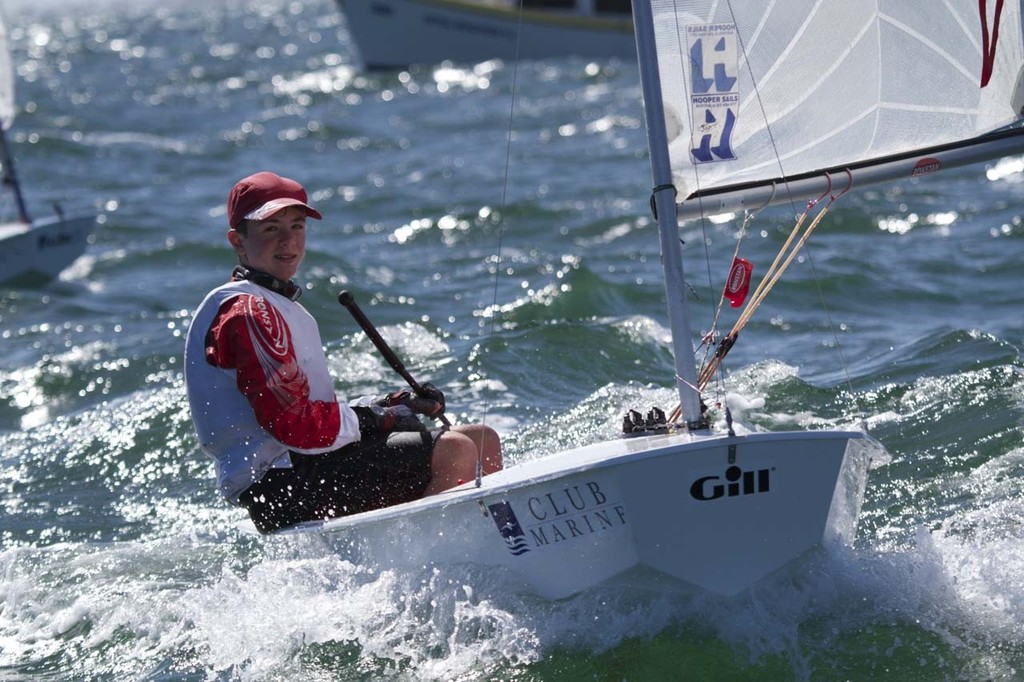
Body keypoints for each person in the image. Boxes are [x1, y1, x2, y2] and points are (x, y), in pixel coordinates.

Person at [184, 171, 503, 533]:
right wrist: (376, 418)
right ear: (238, 242)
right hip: (276, 485)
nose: (288, 240)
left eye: (297, 226)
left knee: (481, 439)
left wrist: (397, 406)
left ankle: (494, 543)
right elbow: (295, 427)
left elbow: (312, 419)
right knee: (457, 450)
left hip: (302, 466)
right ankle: (440, 563)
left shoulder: (274, 304)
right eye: (271, 228)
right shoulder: (249, 313)